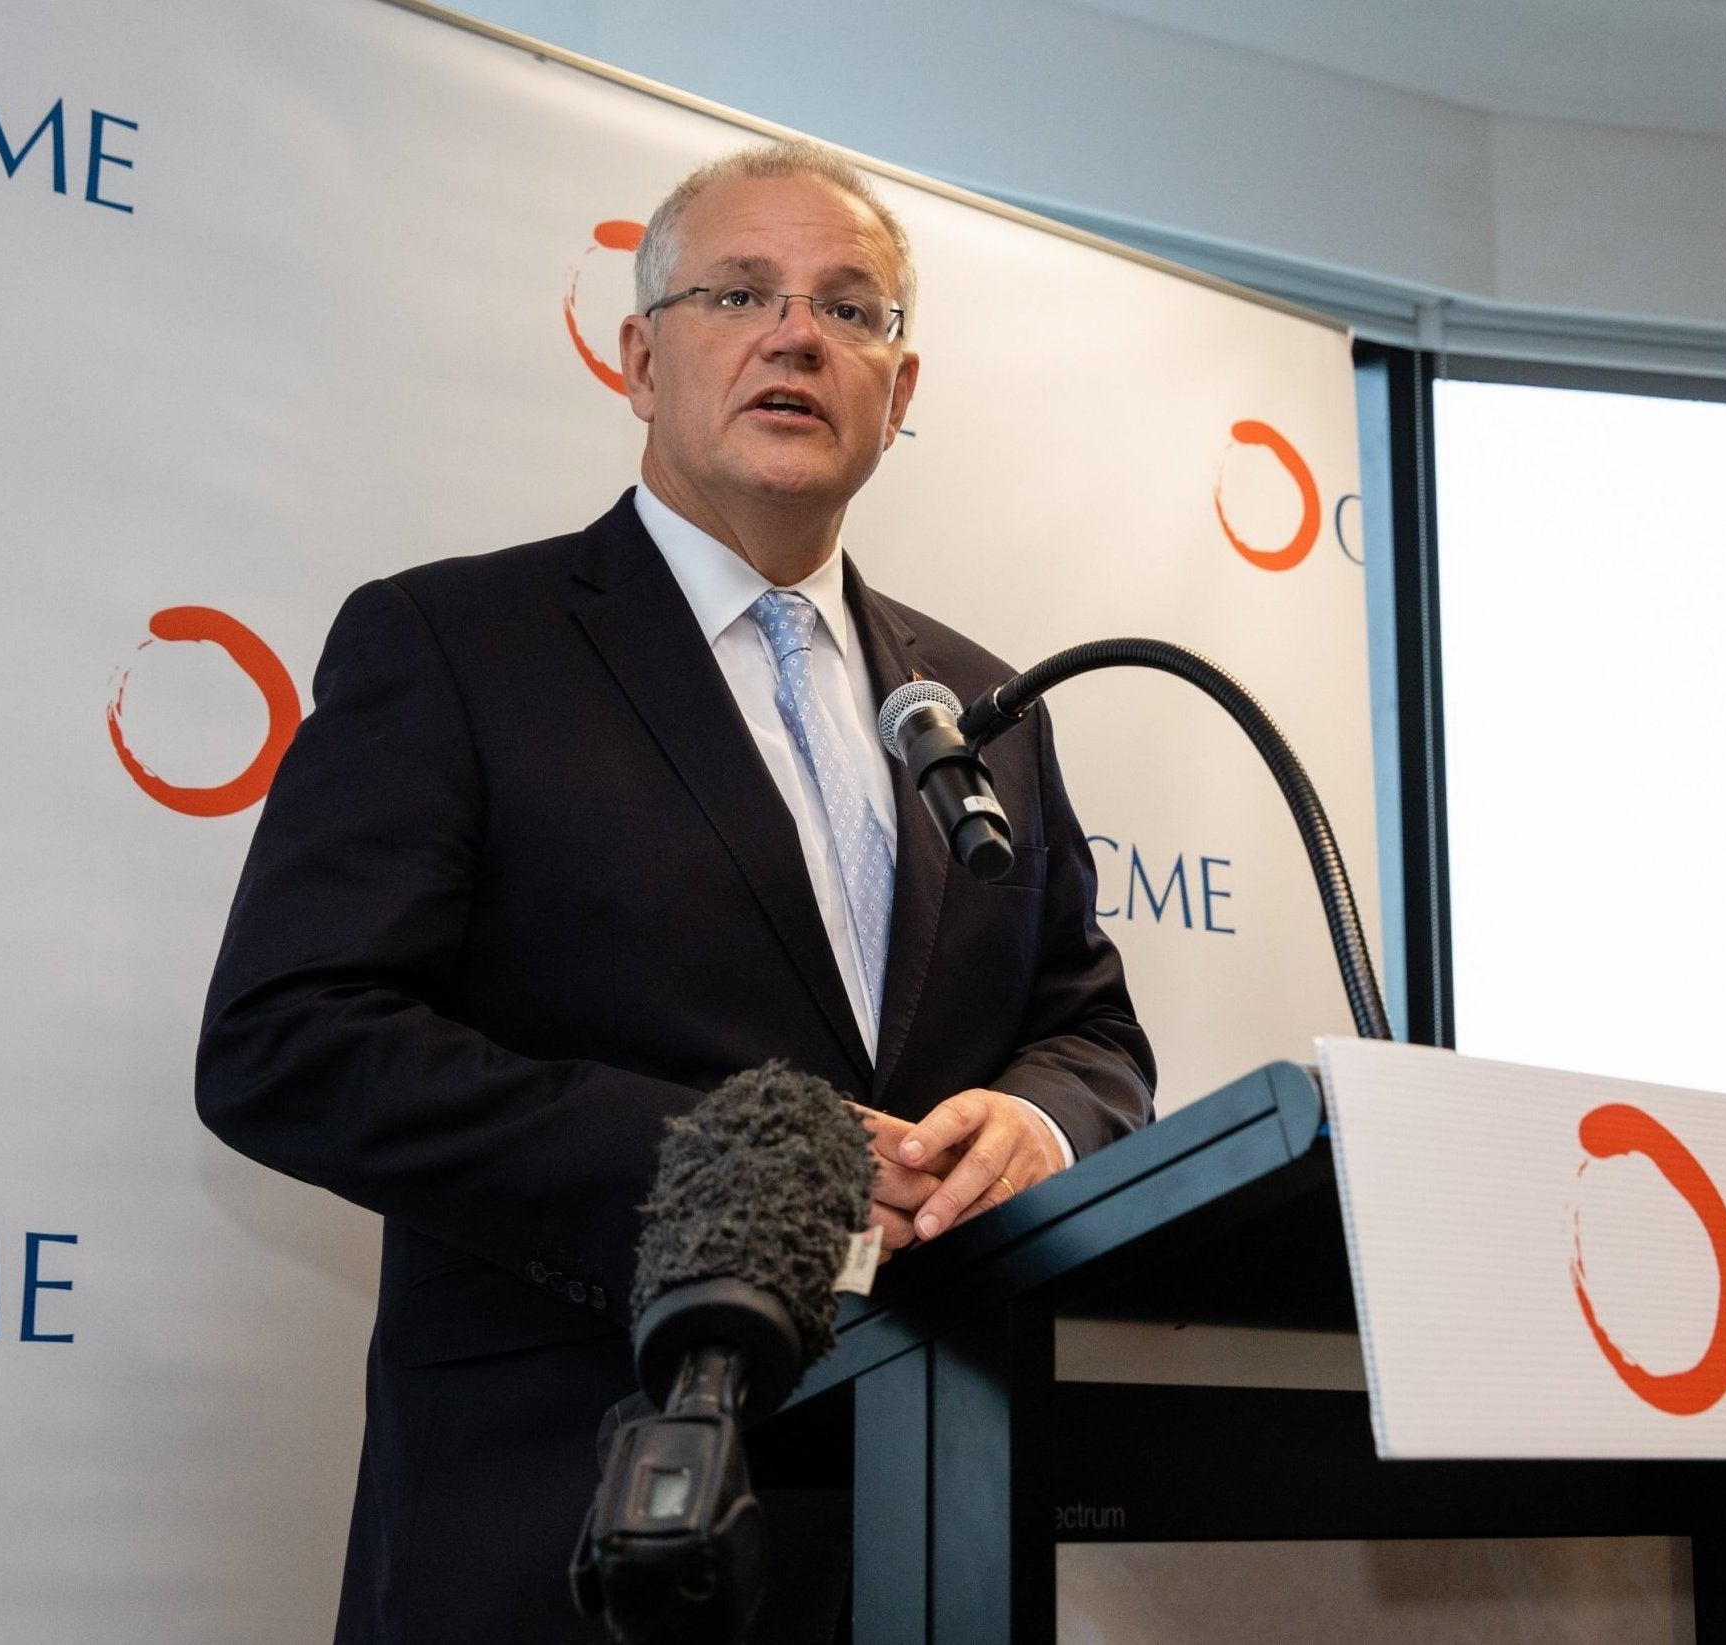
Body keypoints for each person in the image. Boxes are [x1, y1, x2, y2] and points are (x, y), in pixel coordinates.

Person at [196, 139, 1154, 1643]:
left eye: (852, 310)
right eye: (739, 293)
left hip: (929, 1525)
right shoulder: (454, 644)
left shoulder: (980, 700)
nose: (796, 335)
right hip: (564, 1521)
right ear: (640, 358)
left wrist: (1037, 1125)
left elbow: (1089, 1030)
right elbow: (289, 1042)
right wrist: (733, 1163)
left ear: (898, 398)